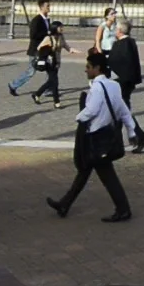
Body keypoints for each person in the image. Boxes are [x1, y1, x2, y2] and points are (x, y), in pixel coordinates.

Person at [46, 50, 134, 222]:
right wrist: (131, 130)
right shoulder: (114, 86)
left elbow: (91, 110)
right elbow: (124, 110)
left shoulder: (96, 88)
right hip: (106, 136)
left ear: (97, 68)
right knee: (86, 171)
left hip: (95, 138)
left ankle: (123, 209)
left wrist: (78, 117)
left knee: (105, 175)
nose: (86, 70)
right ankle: (65, 203)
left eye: (88, 67)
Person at [107, 19, 144, 152]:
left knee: (122, 112)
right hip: (127, 82)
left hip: (121, 83)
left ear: (119, 31)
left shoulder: (121, 44)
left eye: (116, 29)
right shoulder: (130, 43)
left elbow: (116, 63)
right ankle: (120, 140)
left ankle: (139, 137)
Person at [8, 0, 53, 95]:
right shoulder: (36, 20)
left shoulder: (47, 19)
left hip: (45, 50)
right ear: (41, 8)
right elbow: (33, 35)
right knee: (31, 72)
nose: (49, 8)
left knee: (51, 69)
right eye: (47, 6)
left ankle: (47, 89)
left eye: (49, 6)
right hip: (36, 51)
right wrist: (47, 34)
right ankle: (13, 85)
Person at [30, 21, 67, 107]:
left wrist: (71, 50)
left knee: (51, 81)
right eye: (60, 27)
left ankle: (37, 94)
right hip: (49, 63)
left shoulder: (61, 37)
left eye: (62, 27)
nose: (62, 28)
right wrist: (49, 51)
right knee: (55, 82)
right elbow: (39, 48)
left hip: (57, 62)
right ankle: (57, 102)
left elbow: (65, 45)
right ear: (55, 28)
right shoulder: (48, 38)